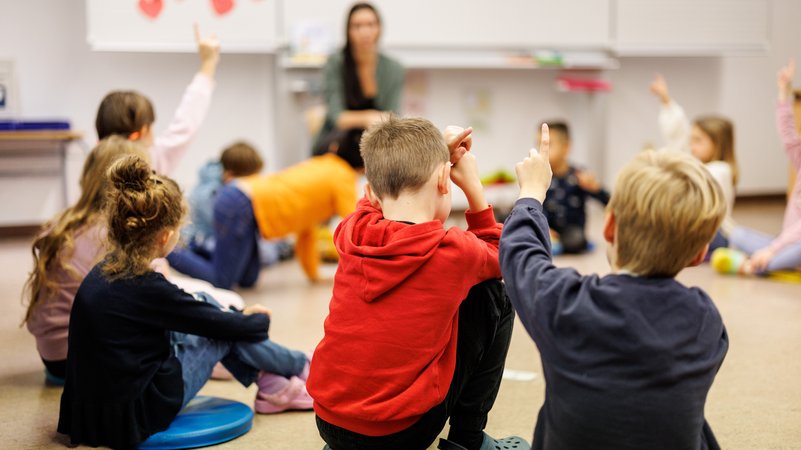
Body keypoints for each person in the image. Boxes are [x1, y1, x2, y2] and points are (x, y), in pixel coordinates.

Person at [57, 156, 313, 449]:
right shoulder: (148, 288)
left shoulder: (104, 270)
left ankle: (274, 383)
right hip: (135, 411)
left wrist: (236, 317)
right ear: (165, 236)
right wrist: (255, 320)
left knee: (204, 303)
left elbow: (192, 312)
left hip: (92, 412)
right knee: (221, 332)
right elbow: (220, 326)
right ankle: (298, 366)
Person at [500, 125, 728, 449]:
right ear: (700, 254)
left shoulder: (565, 303)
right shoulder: (706, 319)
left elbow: (521, 254)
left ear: (609, 228)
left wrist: (531, 194)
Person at [307, 117, 529, 450]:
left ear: (370, 193)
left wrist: (431, 153)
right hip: (402, 435)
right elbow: (502, 257)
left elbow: (375, 195)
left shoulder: (351, 230)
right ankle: (468, 441)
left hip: (329, 423)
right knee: (496, 291)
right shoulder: (454, 250)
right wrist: (474, 189)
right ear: (444, 179)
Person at [167, 143, 359, 288]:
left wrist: (314, 275)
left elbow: (306, 230)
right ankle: (168, 249)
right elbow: (355, 225)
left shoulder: (327, 166)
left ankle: (194, 248)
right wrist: (364, 271)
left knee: (248, 279)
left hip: (243, 204)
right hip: (239, 202)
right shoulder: (343, 175)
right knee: (222, 280)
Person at [711, 60, 801, 275]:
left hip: (794, 245)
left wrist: (771, 250)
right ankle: (774, 261)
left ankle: (754, 266)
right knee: (738, 234)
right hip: (787, 243)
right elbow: (788, 135)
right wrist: (782, 92)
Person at [94, 24, 219, 176]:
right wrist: (208, 62)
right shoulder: (154, 159)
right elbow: (187, 123)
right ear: (145, 130)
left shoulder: (92, 167)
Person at [650, 74, 737, 252]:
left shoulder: (720, 171)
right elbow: (679, 135)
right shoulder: (699, 163)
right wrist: (666, 100)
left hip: (716, 234)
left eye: (698, 141)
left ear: (717, 144)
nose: (691, 146)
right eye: (692, 140)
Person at [312, 2, 404, 169]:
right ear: (348, 31)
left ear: (379, 28)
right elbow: (337, 117)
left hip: (378, 147)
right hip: (337, 146)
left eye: (370, 25)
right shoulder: (335, 63)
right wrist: (369, 117)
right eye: (357, 26)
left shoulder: (393, 67)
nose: (364, 32)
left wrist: (369, 119)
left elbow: (394, 116)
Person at [539, 121, 609, 254]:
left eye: (549, 144)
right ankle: (548, 241)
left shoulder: (579, 176)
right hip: (547, 230)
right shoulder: (539, 177)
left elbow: (609, 203)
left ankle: (555, 245)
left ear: (566, 147)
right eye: (538, 143)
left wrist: (596, 189)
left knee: (575, 239)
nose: (542, 149)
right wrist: (543, 227)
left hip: (571, 232)